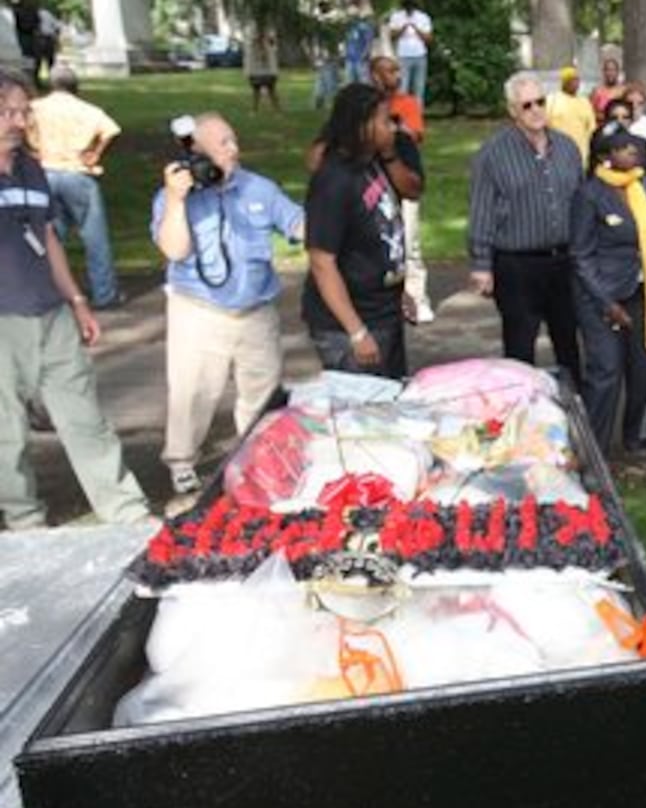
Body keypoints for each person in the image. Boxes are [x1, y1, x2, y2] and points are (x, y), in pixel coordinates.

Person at [0, 69, 150, 527]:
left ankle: (127, 514)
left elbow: (47, 237)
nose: (18, 122)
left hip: (51, 313)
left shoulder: (31, 169)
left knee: (85, 418)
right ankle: (24, 521)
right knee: (7, 434)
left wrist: (79, 301)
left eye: (24, 111)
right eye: (7, 112)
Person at [151, 113, 303, 501]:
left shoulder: (259, 189)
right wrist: (175, 200)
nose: (233, 149)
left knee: (263, 393)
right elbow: (174, 249)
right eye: (223, 144)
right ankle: (182, 462)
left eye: (233, 140)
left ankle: (257, 459)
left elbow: (298, 224)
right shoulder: (175, 197)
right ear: (196, 153)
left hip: (255, 310)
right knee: (193, 393)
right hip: (198, 311)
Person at [469, 71, 584, 384]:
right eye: (526, 105)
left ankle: (575, 416)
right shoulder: (492, 154)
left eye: (540, 102)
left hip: (563, 261)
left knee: (569, 344)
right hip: (516, 265)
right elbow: (482, 210)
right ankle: (523, 416)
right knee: (520, 348)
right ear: (512, 111)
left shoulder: (567, 148)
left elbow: (582, 202)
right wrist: (481, 265)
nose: (535, 110)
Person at [303, 84, 414, 379]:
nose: (391, 127)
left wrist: (397, 288)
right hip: (350, 325)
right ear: (362, 125)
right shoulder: (334, 180)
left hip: (384, 310)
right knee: (365, 416)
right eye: (384, 120)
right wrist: (356, 331)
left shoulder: (371, 163)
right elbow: (321, 262)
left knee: (392, 404)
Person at [570, 125, 646, 457]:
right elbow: (580, 256)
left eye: (634, 146)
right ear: (604, 157)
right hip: (600, 295)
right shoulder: (590, 194)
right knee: (606, 370)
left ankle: (634, 436)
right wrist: (606, 303)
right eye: (622, 147)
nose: (632, 151)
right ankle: (593, 450)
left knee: (641, 368)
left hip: (641, 291)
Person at [29, 66, 125, 308]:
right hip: (78, 172)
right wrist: (95, 153)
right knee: (94, 237)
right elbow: (112, 129)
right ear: (75, 86)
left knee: (51, 237)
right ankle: (105, 294)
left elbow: (22, 128)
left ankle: (54, 292)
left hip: (45, 171)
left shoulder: (36, 108)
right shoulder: (87, 110)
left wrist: (32, 150)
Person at [371, 54, 434, 323]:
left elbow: (414, 134)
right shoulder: (367, 103)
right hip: (375, 184)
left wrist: (393, 125)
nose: (395, 76)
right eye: (388, 71)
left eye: (396, 71)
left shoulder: (407, 103)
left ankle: (418, 298)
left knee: (411, 242)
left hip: (403, 175)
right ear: (374, 75)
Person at [386, 0, 433, 104]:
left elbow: (429, 38)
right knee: (403, 87)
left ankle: (417, 115)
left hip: (420, 55)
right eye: (407, 8)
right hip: (403, 55)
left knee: (419, 88)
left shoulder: (423, 17)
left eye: (411, 8)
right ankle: (401, 115)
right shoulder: (396, 16)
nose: (409, 10)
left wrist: (416, 28)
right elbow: (391, 36)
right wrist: (403, 28)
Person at [546, 66, 596, 167]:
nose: (575, 83)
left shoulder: (584, 102)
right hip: (558, 152)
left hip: (581, 153)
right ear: (564, 82)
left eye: (577, 80)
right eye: (571, 80)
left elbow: (591, 127)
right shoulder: (552, 100)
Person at [244, 24, 280, 113]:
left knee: (271, 90)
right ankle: (254, 109)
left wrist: (267, 39)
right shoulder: (251, 30)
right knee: (256, 91)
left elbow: (273, 42)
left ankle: (277, 109)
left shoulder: (269, 30)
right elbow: (249, 42)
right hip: (256, 68)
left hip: (268, 68)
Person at [589, 57, 626, 125]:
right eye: (607, 70)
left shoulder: (624, 91)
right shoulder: (597, 91)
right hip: (601, 128)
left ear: (618, 72)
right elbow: (590, 112)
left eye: (613, 70)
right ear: (603, 72)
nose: (610, 73)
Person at [344, 14, 375, 84]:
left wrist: (365, 53)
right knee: (350, 81)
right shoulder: (350, 29)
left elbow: (369, 42)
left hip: (361, 59)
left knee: (364, 81)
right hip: (350, 59)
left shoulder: (364, 27)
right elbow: (348, 42)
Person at [34, 6, 60, 84]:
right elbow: (57, 27)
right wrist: (56, 38)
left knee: (38, 61)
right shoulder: (48, 14)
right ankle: (52, 81)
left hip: (39, 38)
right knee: (50, 61)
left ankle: (37, 81)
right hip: (49, 38)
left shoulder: (34, 14)